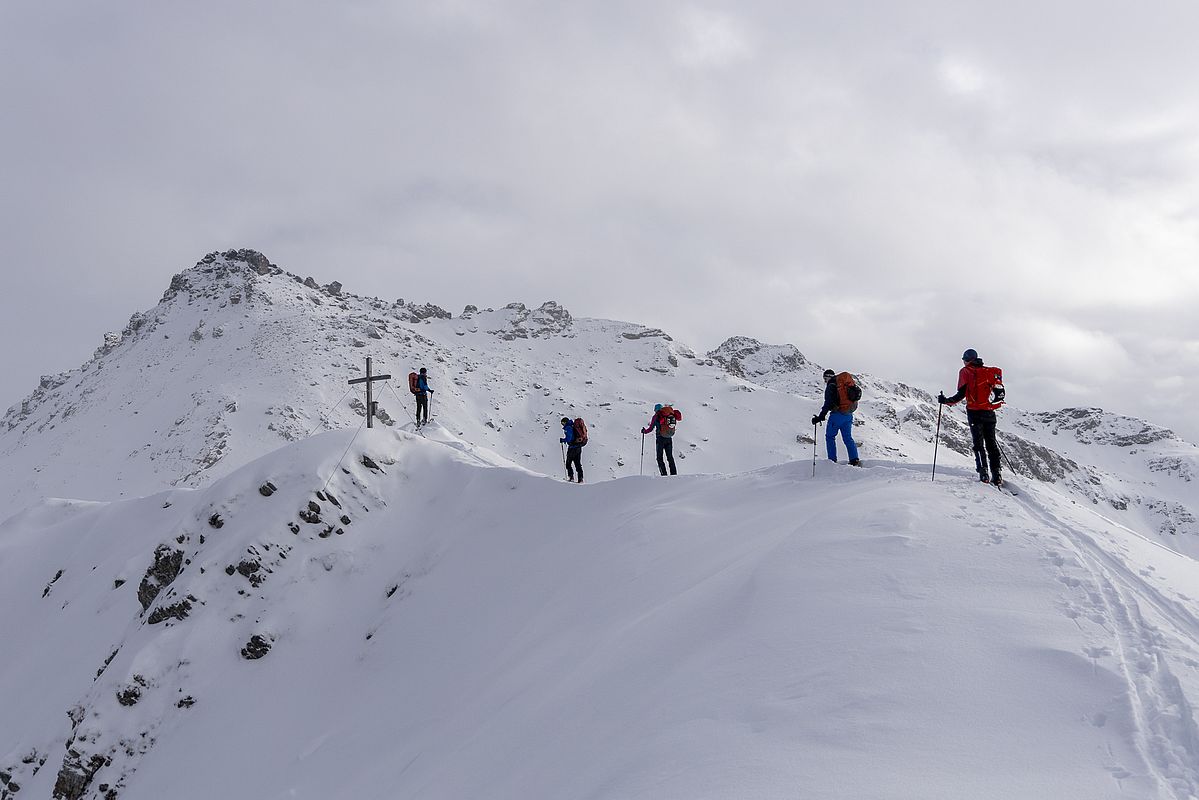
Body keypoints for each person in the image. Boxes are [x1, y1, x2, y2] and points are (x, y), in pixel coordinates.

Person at [938, 348, 1002, 487]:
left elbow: (961, 394)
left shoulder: (965, 372)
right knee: (991, 443)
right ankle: (997, 475)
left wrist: (945, 401)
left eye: (964, 359)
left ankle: (983, 473)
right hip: (990, 413)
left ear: (967, 359)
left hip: (975, 413)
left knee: (978, 444)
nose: (963, 362)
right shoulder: (989, 372)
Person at [811, 369, 861, 466]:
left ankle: (832, 461)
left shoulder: (831, 386)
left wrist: (820, 417)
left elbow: (828, 403)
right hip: (848, 415)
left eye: (825, 378)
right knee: (848, 438)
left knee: (830, 437)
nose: (825, 381)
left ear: (828, 377)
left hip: (837, 415)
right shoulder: (843, 385)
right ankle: (854, 460)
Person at [641, 403, 682, 476]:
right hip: (669, 438)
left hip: (660, 439)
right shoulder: (669, 415)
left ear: (656, 410)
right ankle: (674, 474)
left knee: (659, 458)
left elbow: (650, 429)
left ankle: (664, 475)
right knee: (670, 457)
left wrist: (644, 431)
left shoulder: (656, 416)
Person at [560, 417, 584, 483]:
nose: (562, 425)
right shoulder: (573, 426)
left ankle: (571, 477)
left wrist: (563, 440)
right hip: (578, 447)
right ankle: (580, 478)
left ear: (565, 422)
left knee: (568, 463)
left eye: (562, 423)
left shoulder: (568, 428)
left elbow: (569, 438)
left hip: (572, 448)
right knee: (578, 463)